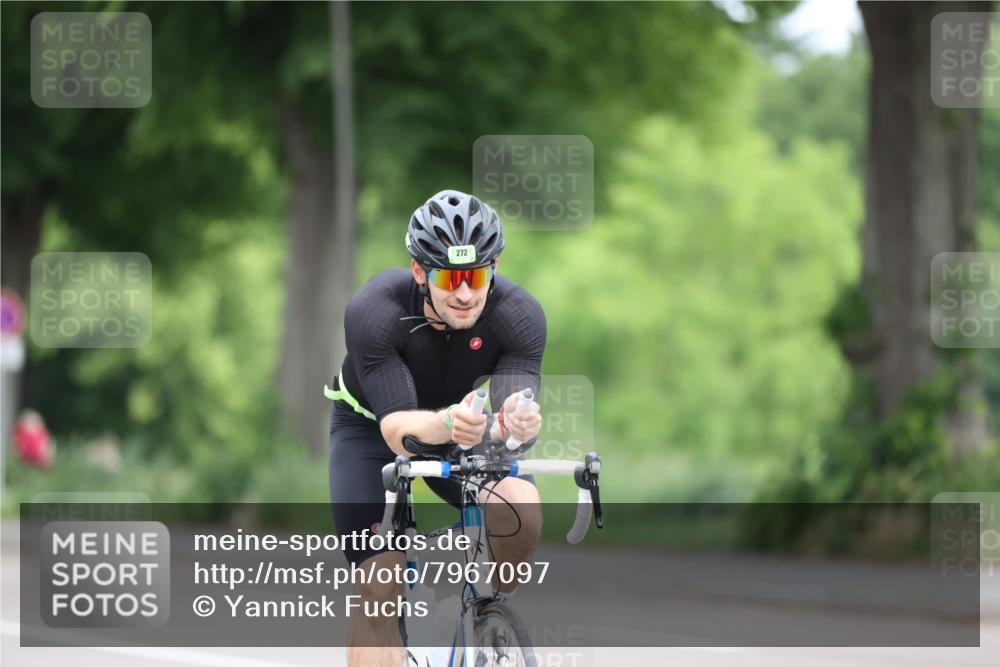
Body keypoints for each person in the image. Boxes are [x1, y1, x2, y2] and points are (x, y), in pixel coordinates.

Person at [327, 189, 545, 666]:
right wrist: (447, 422)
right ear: (420, 271)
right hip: (373, 431)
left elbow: (513, 409)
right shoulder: (374, 311)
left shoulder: (519, 315)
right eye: (449, 277)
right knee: (381, 584)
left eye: (476, 276)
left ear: (494, 267)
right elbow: (396, 430)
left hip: (463, 428)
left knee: (522, 508)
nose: (464, 293)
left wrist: (518, 422)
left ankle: (483, 608)